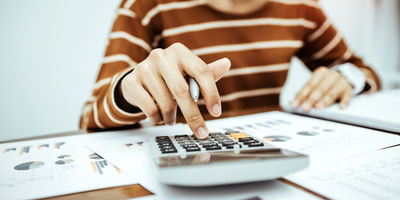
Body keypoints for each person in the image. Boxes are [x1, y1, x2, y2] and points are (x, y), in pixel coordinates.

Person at [79, 0, 379, 139]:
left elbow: (364, 71)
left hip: (271, 158)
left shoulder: (302, 7)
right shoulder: (147, 6)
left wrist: (345, 78)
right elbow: (90, 117)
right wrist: (127, 90)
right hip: (186, 159)